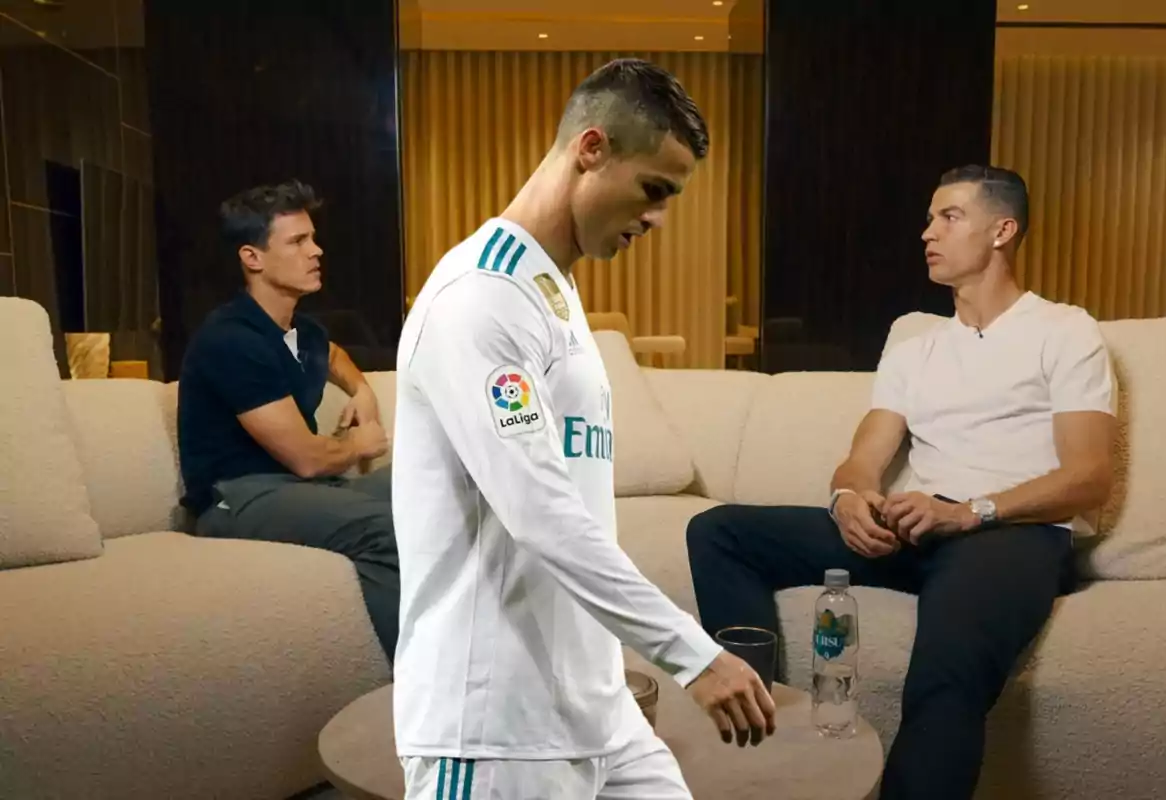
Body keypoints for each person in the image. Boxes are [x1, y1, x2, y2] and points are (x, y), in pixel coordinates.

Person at [390, 59, 776, 800]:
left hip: (595, 712)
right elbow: (542, 514)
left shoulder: (552, 292)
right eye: (653, 190)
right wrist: (694, 656)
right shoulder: (480, 298)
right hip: (493, 727)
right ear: (591, 149)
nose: (657, 218)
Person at [686, 165, 1117, 800]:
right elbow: (863, 457)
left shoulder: (1064, 329)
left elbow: (1088, 477)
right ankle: (760, 737)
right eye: (928, 218)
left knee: (945, 678)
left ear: (1003, 230)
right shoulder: (916, 345)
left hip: (1011, 535)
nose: (927, 233)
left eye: (949, 217)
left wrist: (971, 513)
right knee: (718, 531)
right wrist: (849, 500)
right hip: (916, 527)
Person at [177, 179, 399, 662]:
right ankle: (419, 688)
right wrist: (362, 443)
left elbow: (334, 355)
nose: (316, 251)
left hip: (292, 491)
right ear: (252, 258)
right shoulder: (231, 339)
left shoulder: (300, 331)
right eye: (298, 242)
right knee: (387, 527)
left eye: (313, 238)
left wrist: (361, 391)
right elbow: (307, 458)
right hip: (235, 498)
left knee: (434, 488)